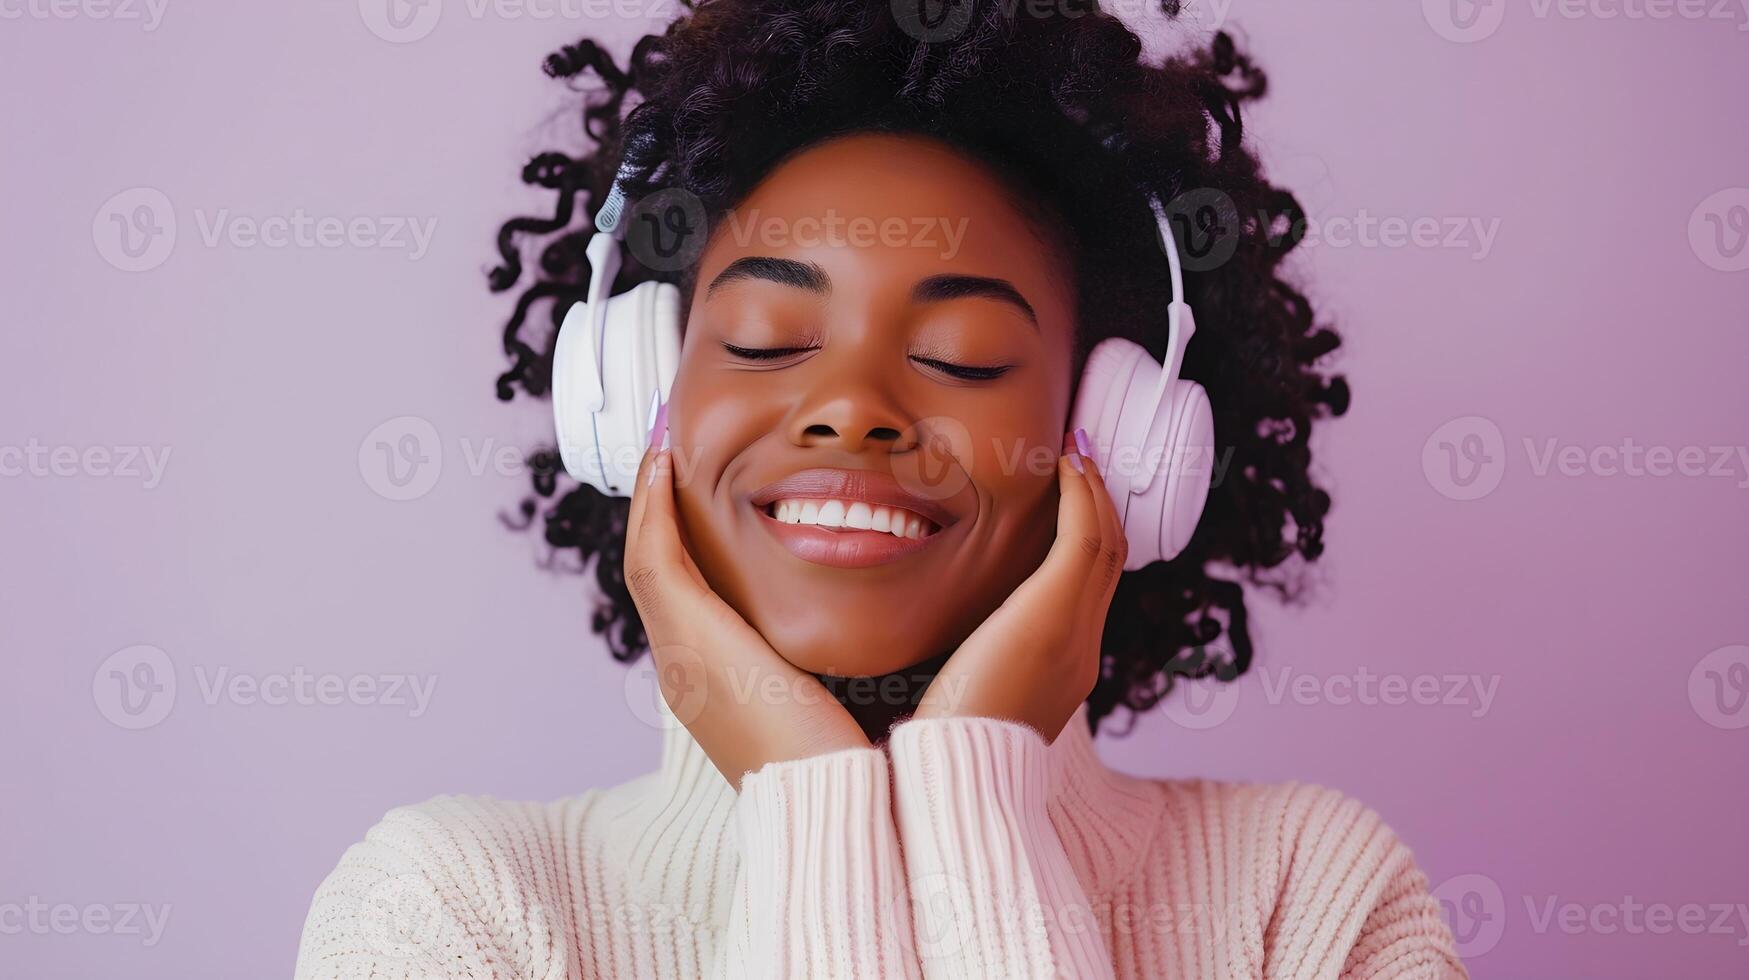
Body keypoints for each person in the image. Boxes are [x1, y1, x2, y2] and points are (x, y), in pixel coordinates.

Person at [294, 1, 1466, 976]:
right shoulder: (448, 914)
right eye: (761, 337)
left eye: (961, 355)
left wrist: (975, 792)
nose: (852, 405)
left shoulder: (1308, 902)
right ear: (635, 396)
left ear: (1117, 436)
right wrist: (811, 798)